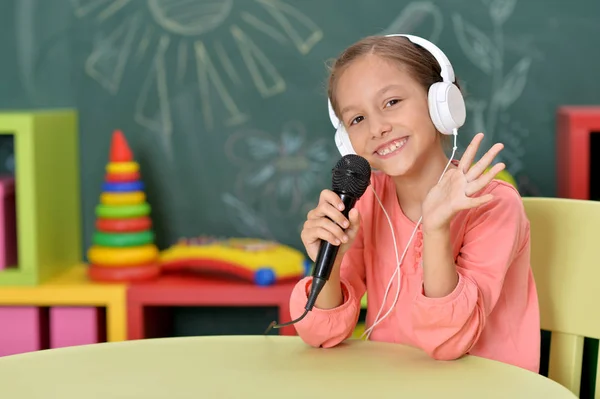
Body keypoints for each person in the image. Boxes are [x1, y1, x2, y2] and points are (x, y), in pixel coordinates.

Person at [288, 34, 540, 373]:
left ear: (441, 103)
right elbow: (319, 333)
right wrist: (329, 261)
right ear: (345, 140)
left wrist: (435, 229)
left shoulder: (494, 205)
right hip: (396, 385)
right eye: (357, 119)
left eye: (391, 102)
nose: (377, 128)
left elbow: (446, 343)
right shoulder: (367, 201)